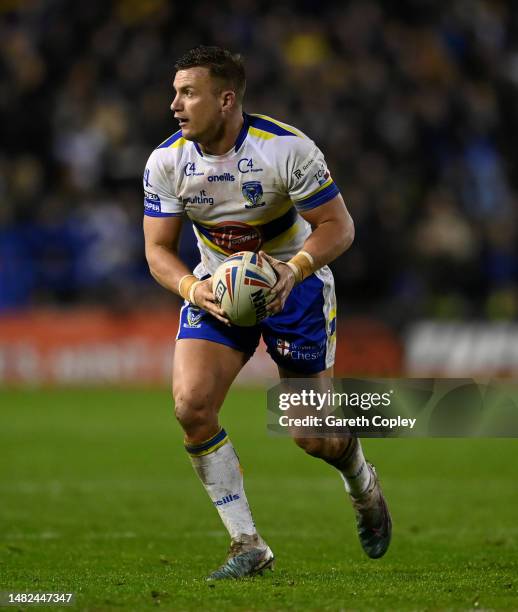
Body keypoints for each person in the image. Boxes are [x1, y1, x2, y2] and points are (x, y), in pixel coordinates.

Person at [143, 45, 391, 580]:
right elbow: (157, 251)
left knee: (312, 437)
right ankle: (246, 542)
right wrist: (192, 286)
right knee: (191, 406)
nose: (175, 105)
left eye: (188, 93)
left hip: (293, 287)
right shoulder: (167, 161)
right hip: (216, 288)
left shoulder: (286, 150)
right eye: (175, 92)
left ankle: (362, 481)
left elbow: (338, 227)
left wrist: (294, 271)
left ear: (226, 98)